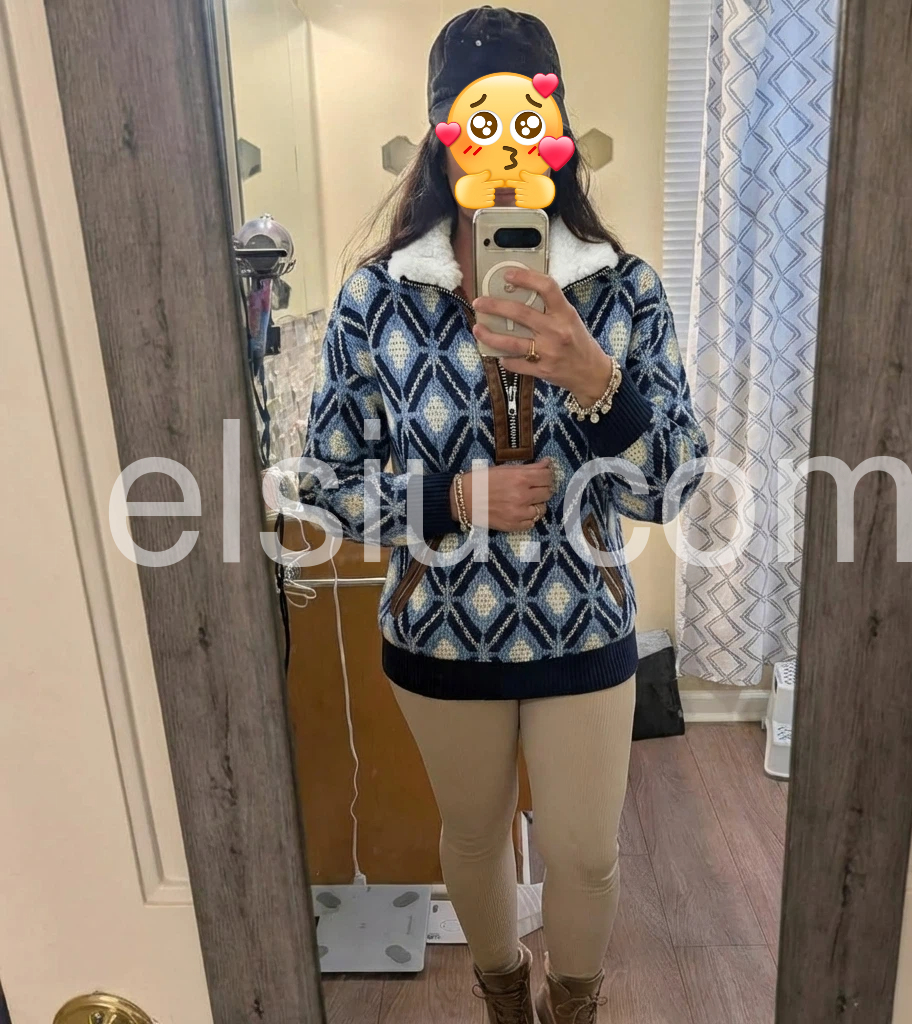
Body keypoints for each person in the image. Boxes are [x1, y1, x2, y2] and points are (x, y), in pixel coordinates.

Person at [301, 8, 707, 1022]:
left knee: (586, 852)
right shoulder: (376, 300)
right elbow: (325, 479)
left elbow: (673, 486)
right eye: (480, 124)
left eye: (529, 120)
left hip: (584, 625)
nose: (506, 147)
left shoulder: (622, 291)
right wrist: (450, 499)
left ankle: (574, 1006)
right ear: (444, 136)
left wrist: (597, 379)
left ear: (557, 132)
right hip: (439, 631)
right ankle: (502, 1002)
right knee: (475, 837)